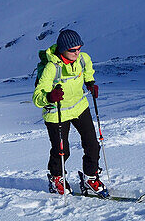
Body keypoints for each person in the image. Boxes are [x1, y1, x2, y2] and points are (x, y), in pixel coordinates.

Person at [32, 28, 106, 196]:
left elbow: (88, 71)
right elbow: (37, 97)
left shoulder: (83, 59)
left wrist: (90, 83)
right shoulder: (51, 68)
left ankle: (90, 177)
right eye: (73, 50)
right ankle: (56, 177)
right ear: (63, 49)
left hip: (79, 107)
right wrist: (50, 96)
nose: (77, 52)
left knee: (92, 144)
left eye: (79, 48)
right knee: (61, 149)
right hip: (57, 112)